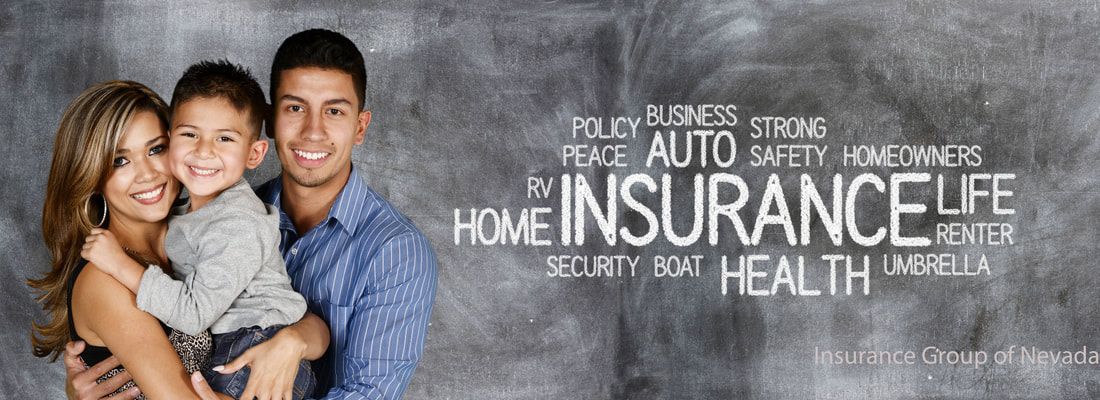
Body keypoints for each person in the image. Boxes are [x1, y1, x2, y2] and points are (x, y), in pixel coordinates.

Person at [67, 29, 438, 399]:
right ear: (272, 120)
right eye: (295, 108)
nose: (313, 131)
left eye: (334, 111)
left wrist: (295, 339)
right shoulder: (211, 215)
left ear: (360, 127)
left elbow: (367, 391)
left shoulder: (394, 250)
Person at [80, 60, 318, 399]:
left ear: (254, 153)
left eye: (154, 149)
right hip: (239, 347)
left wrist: (120, 264)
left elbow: (192, 314)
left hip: (252, 351)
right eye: (190, 135)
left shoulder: (235, 223)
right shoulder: (187, 218)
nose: (204, 151)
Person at [30, 80, 214, 399]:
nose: (147, 174)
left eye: (156, 149)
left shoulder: (202, 235)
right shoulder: (103, 280)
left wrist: (291, 340)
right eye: (120, 160)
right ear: (91, 175)